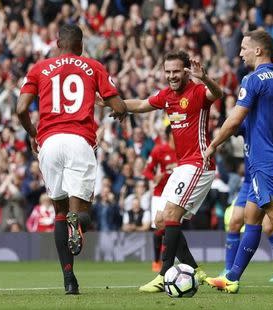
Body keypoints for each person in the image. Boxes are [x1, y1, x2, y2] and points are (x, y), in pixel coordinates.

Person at [17, 24, 127, 295]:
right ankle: (78, 223)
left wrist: (33, 134)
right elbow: (120, 106)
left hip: (49, 144)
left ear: (57, 44)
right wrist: (117, 112)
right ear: (80, 46)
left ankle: (69, 280)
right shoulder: (93, 66)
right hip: (79, 141)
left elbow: (21, 108)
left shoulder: (39, 68)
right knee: (82, 212)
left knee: (60, 212)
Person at [204, 30, 273, 295]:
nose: (240, 53)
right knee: (251, 215)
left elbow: (236, 120)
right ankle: (232, 277)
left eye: (244, 48)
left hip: (264, 160)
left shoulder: (254, 80)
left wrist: (214, 145)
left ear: (258, 51)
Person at [112, 50, 223, 292]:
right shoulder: (167, 96)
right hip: (184, 165)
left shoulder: (197, 91)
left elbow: (218, 94)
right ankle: (195, 269)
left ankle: (163, 276)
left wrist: (204, 78)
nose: (171, 76)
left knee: (171, 216)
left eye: (176, 71)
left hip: (199, 163)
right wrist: (112, 102)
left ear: (185, 70)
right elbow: (141, 104)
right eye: (168, 71)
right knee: (161, 220)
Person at [211, 122, 273, 283]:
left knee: (269, 227)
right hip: (249, 181)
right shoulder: (247, 121)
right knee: (234, 221)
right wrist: (218, 141)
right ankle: (228, 270)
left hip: (267, 176)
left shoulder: (268, 122)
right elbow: (232, 125)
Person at [142, 125, 177, 272]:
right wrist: (154, 177)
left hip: (175, 194)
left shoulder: (184, 151)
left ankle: (168, 260)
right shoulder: (159, 150)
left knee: (172, 227)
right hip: (159, 193)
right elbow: (147, 171)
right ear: (169, 135)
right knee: (158, 228)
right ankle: (156, 261)